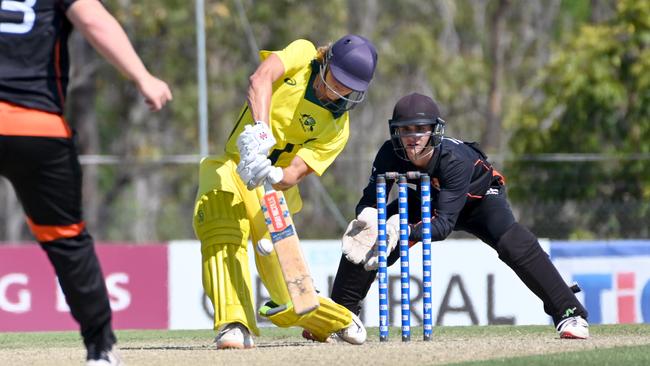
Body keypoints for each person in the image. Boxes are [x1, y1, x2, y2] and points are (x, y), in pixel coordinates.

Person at [331, 92, 589, 340]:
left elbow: (443, 226)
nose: (413, 138)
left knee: (512, 241)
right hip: (428, 199)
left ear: (435, 130)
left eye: (421, 129)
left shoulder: (453, 159)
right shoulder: (389, 153)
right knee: (367, 233)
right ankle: (339, 317)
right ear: (396, 131)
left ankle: (570, 313)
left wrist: (404, 231)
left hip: (478, 199)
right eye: (406, 130)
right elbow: (370, 199)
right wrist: (367, 219)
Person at [0, 1, 172, 365]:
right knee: (66, 241)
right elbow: (94, 20)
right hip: (34, 125)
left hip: (32, 123)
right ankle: (100, 349)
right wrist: (143, 76)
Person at [192, 34, 378, 349]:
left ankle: (338, 319)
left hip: (273, 193)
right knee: (220, 228)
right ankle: (234, 325)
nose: (338, 90)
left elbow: (295, 173)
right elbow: (260, 78)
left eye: (348, 86)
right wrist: (261, 132)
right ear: (326, 61)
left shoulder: (337, 128)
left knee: (285, 288)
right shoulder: (303, 55)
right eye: (336, 78)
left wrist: (274, 172)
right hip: (235, 166)